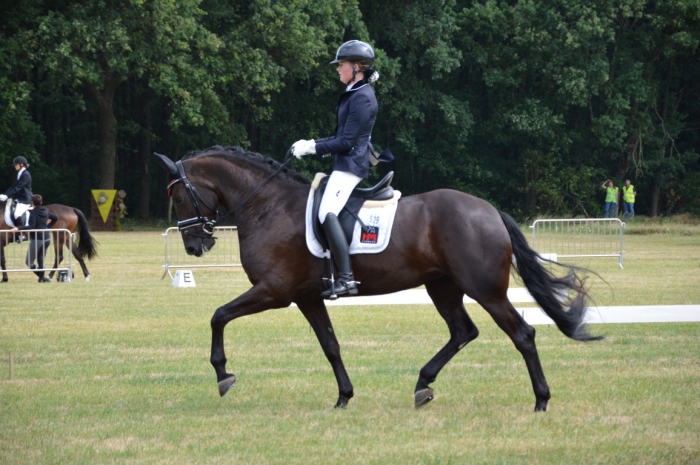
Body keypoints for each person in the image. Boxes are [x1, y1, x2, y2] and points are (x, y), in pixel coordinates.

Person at [291, 39, 391, 298]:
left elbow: (346, 142)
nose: (337, 69)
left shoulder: (363, 97)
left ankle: (347, 279)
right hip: (345, 163)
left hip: (351, 166)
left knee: (326, 212)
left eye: (341, 65)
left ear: (356, 67)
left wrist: (312, 147)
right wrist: (311, 144)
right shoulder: (355, 91)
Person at [9, 194, 58, 282]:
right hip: (47, 238)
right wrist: (48, 227)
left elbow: (31, 226)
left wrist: (18, 228)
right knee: (41, 258)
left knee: (28, 262)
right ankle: (41, 278)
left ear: (32, 203)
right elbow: (55, 217)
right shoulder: (46, 211)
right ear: (41, 203)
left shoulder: (33, 213)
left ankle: (42, 277)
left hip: (37, 239)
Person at [1, 156, 33, 230]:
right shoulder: (20, 173)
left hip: (25, 199)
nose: (15, 166)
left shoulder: (26, 174)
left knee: (17, 214)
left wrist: (7, 196)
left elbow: (18, 188)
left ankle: (22, 233)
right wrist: (5, 195)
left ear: (22, 164)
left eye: (16, 164)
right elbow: (13, 186)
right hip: (19, 198)